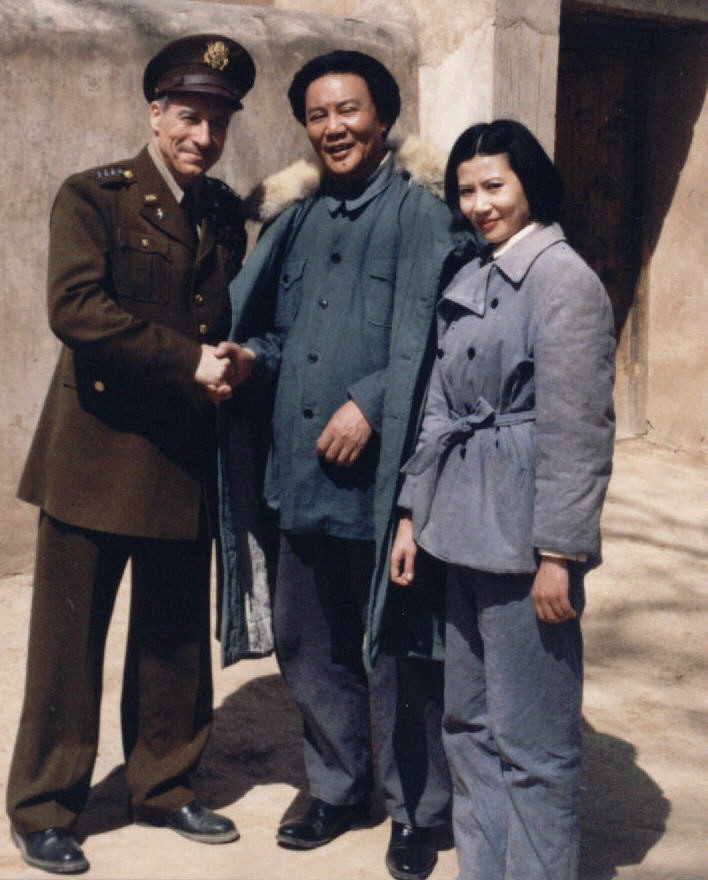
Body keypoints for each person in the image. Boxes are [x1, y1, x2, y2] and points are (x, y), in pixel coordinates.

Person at [216, 51, 475, 880]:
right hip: (300, 469)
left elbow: (443, 334)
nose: (334, 127)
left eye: (350, 110)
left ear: (384, 115)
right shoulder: (295, 219)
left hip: (387, 478)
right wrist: (252, 357)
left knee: (401, 644)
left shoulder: (421, 213)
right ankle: (337, 785)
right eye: (319, 114)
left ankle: (416, 810)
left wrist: (370, 399)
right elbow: (285, 331)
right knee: (306, 633)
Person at [7, 34, 255, 875]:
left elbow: (224, 316)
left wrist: (232, 361)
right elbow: (75, 309)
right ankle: (44, 807)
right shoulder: (94, 197)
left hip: (184, 456)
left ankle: (166, 786)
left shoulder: (223, 211)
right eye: (190, 115)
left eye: (218, 121)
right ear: (155, 113)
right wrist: (188, 359)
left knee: (174, 640)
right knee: (67, 648)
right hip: (96, 456)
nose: (203, 135)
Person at [389, 119, 616, 880]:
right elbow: (439, 410)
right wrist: (414, 512)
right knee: (468, 726)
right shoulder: (476, 275)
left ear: (530, 186)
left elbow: (577, 432)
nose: (480, 204)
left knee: (536, 744)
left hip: (526, 539)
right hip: (462, 527)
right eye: (467, 190)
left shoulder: (563, 281)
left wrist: (560, 553)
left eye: (495, 186)